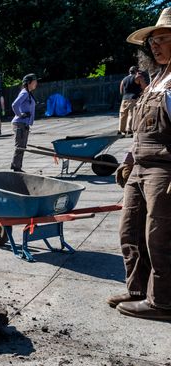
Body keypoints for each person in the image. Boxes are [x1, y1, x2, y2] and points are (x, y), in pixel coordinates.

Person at [109, 9, 171, 321]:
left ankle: (162, 301)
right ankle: (137, 290)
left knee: (158, 236)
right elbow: (142, 128)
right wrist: (128, 160)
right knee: (129, 231)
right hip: (140, 166)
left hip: (164, 169)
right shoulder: (157, 79)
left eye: (162, 39)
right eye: (153, 41)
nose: (155, 46)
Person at [11, 74, 38, 172]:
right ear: (29, 83)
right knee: (20, 147)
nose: (36, 83)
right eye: (34, 81)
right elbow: (14, 105)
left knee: (22, 147)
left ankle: (17, 167)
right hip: (20, 123)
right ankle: (16, 168)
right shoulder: (25, 93)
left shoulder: (28, 93)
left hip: (24, 124)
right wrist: (19, 115)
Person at [119, 66, 143, 136]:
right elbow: (144, 87)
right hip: (133, 98)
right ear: (136, 71)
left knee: (123, 115)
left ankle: (121, 131)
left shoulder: (123, 79)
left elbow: (121, 91)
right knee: (131, 114)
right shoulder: (138, 77)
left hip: (124, 99)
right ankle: (129, 131)